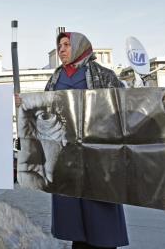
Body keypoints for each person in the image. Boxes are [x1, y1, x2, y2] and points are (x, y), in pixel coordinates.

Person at [47, 32, 129, 249]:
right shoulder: (55, 79)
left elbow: (126, 105)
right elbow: (45, 113)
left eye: (67, 45)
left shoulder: (104, 75)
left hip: (98, 156)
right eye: (60, 45)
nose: (62, 49)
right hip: (68, 157)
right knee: (74, 215)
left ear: (81, 47)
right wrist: (24, 103)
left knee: (100, 210)